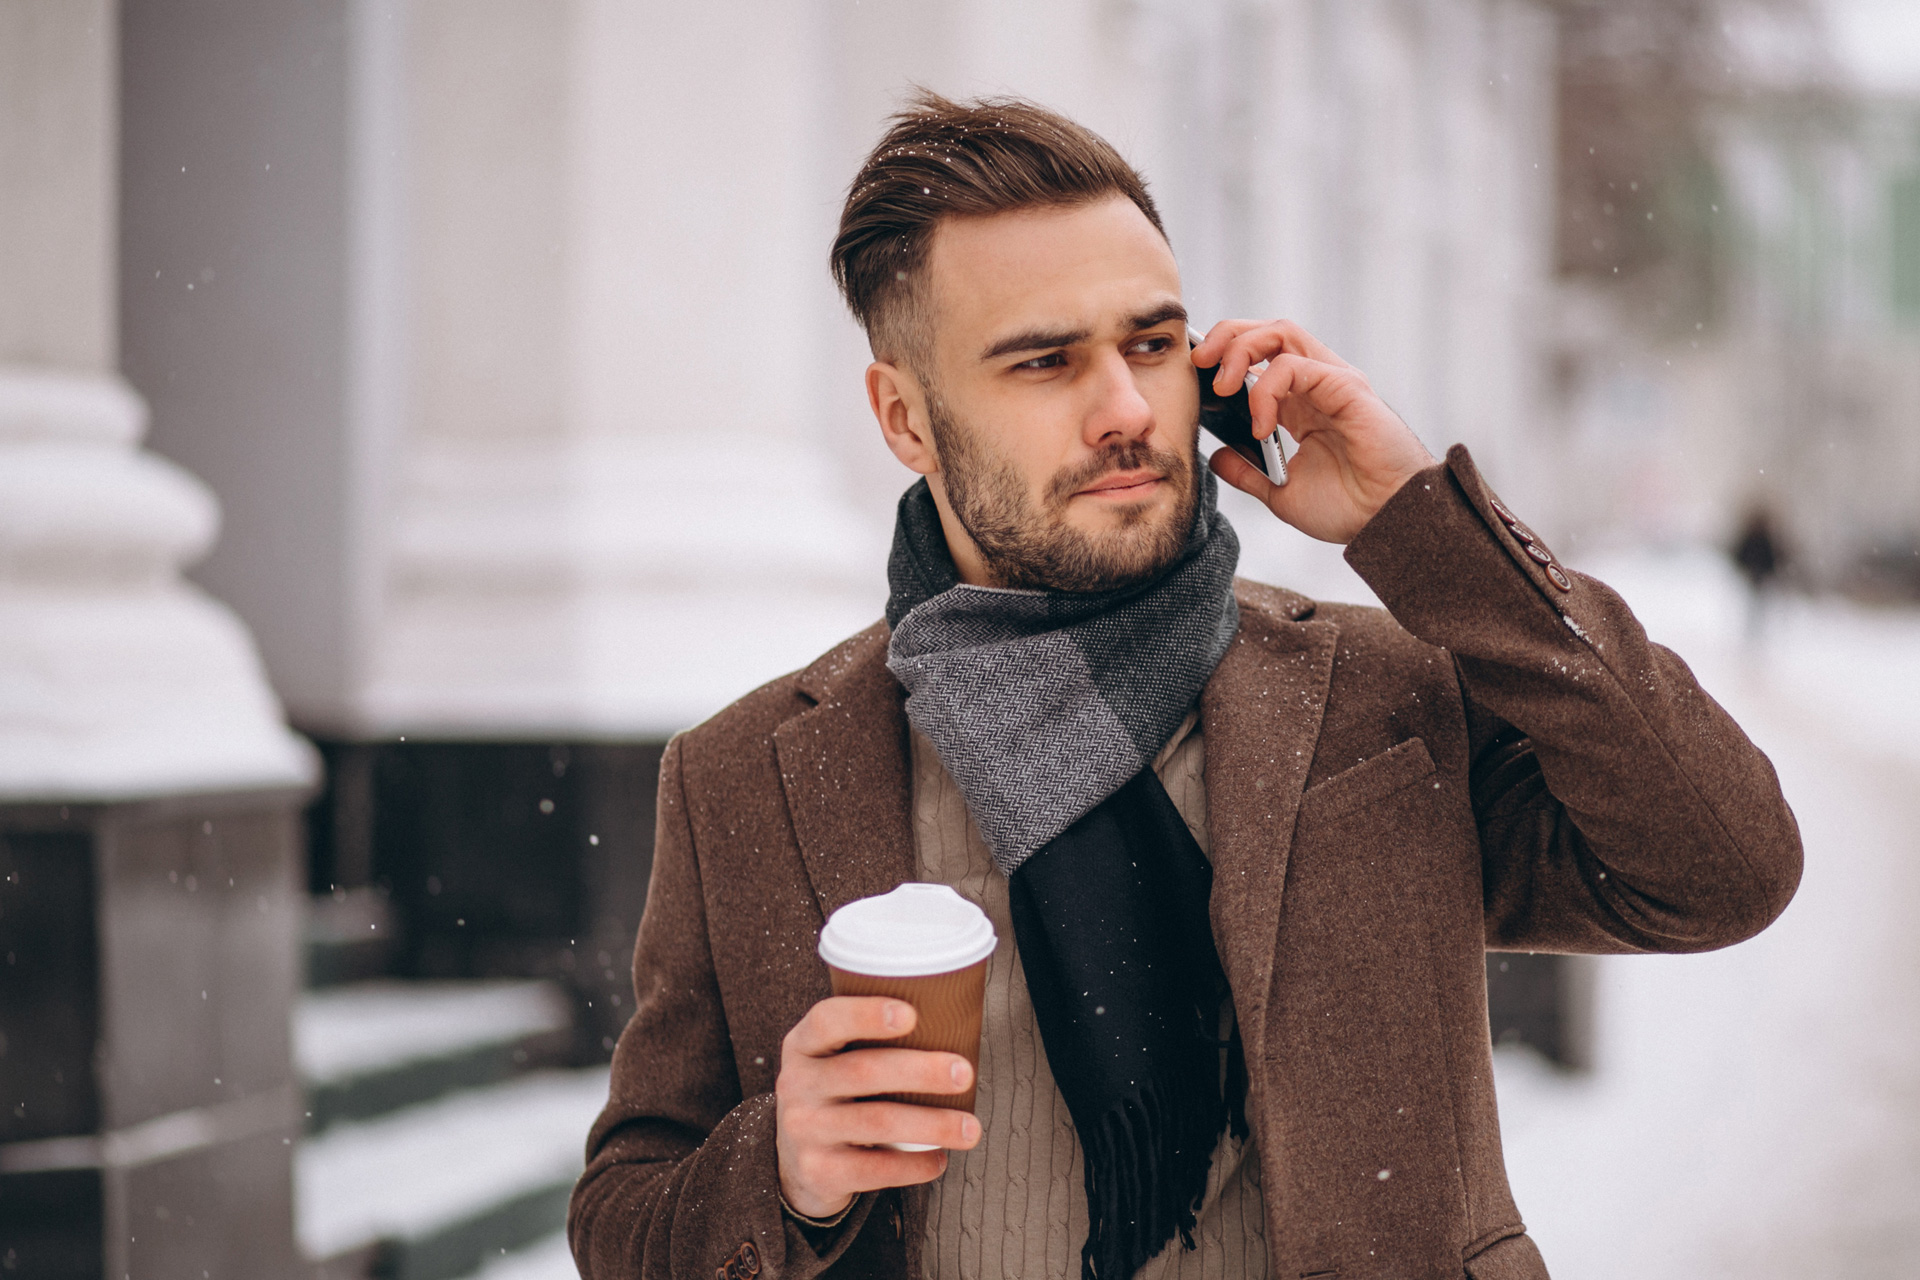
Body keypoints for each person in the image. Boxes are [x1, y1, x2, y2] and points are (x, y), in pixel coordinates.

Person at [568, 93, 1801, 1280]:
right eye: (1043, 361)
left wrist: (1424, 526)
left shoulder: (1382, 699)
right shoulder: (749, 772)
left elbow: (1720, 865)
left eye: (1151, 343)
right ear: (905, 416)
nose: (1125, 412)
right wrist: (781, 1168)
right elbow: (625, 1214)